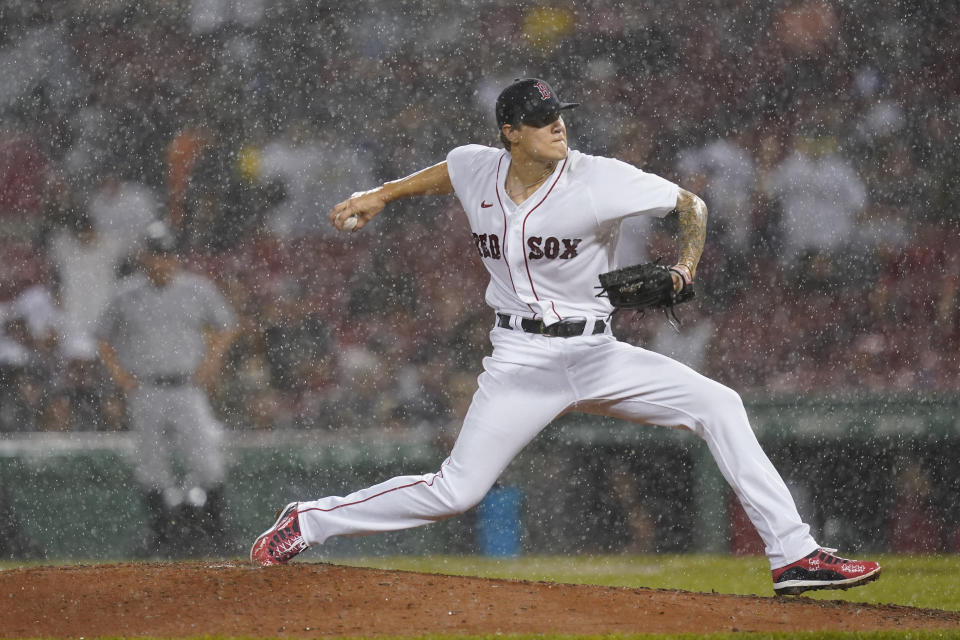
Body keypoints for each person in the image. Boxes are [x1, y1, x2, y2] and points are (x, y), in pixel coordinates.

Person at [250, 78, 881, 595]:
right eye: (541, 118)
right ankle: (310, 520)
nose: (558, 126)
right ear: (510, 133)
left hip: (597, 351)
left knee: (720, 404)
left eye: (559, 115)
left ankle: (794, 556)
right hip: (520, 359)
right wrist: (381, 194)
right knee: (456, 490)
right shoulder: (479, 167)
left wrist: (685, 267)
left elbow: (692, 205)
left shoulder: (597, 177)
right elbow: (450, 170)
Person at [97, 221, 238, 557]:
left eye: (167, 254)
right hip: (146, 388)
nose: (162, 261)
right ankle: (160, 538)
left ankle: (215, 534)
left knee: (206, 460)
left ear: (176, 257)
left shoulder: (196, 289)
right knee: (151, 464)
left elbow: (228, 326)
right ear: (144, 257)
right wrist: (120, 375)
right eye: (156, 254)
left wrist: (212, 361)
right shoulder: (126, 293)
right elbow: (102, 336)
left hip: (186, 386)